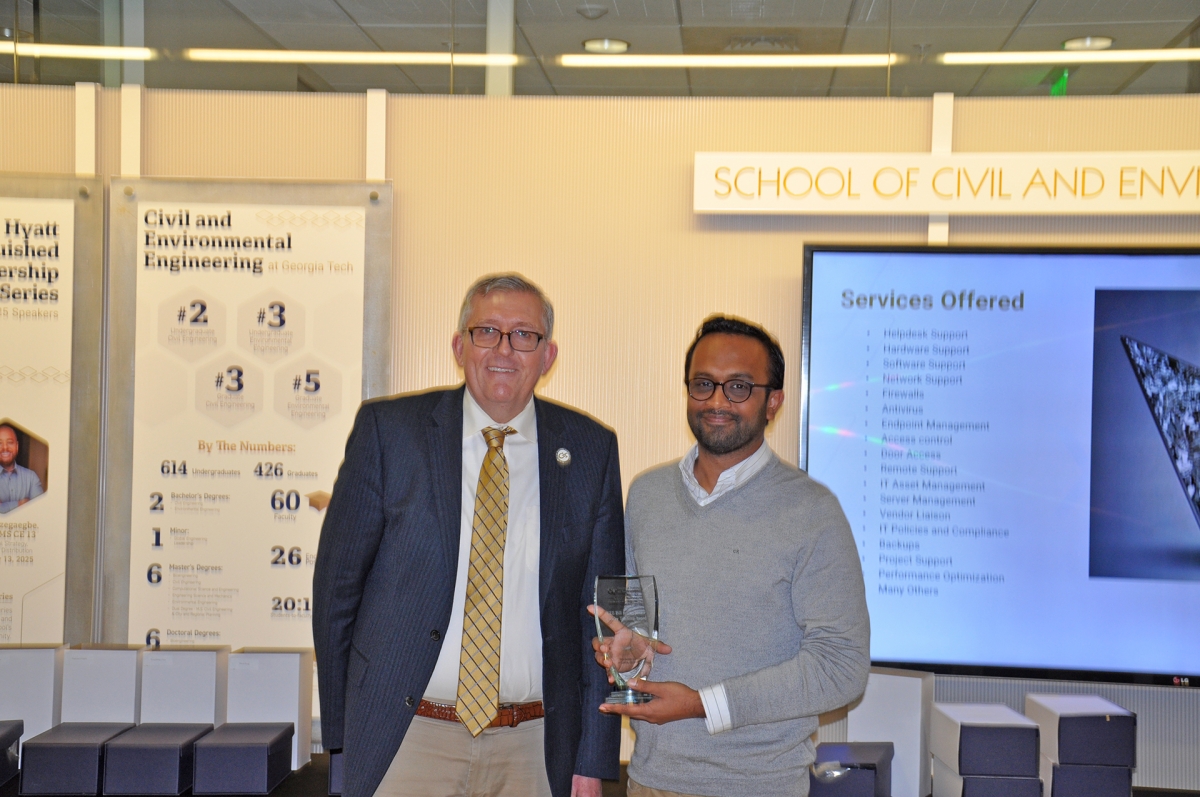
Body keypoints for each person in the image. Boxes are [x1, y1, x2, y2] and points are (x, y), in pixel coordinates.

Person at [313, 274, 624, 797]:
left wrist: (591, 759)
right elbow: (336, 595)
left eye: (524, 335)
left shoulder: (590, 450)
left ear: (547, 356)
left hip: (534, 746)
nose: (505, 349)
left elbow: (602, 617)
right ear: (460, 346)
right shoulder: (389, 433)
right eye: (487, 331)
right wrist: (346, 742)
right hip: (406, 740)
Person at [597, 316, 870, 797]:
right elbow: (632, 630)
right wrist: (628, 655)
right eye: (704, 384)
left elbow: (842, 667)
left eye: (739, 387)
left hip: (761, 785)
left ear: (774, 401)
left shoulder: (813, 511)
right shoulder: (645, 494)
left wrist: (704, 704)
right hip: (648, 780)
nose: (717, 401)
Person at [0, 424, 43, 514]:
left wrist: (4, 506)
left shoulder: (31, 478)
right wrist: (19, 504)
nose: (5, 448)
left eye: (10, 442)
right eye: (0, 443)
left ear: (17, 446)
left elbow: (40, 511)